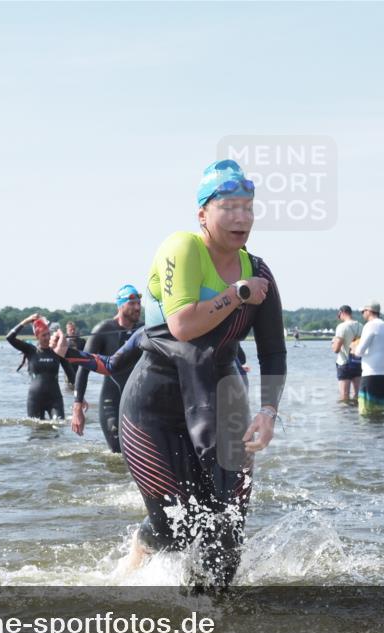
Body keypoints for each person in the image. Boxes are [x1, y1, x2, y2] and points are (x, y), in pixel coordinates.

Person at [118, 159, 286, 589]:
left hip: (221, 398)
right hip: (154, 405)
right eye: (228, 208)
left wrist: (268, 412)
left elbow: (272, 352)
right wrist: (238, 294)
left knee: (227, 523)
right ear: (202, 215)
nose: (241, 217)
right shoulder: (182, 247)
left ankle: (215, 618)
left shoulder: (259, 271)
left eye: (248, 207)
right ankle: (139, 552)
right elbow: (182, 326)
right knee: (175, 524)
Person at [72, 284, 144, 452]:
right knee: (117, 453)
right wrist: (77, 406)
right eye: (132, 303)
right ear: (120, 305)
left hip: (138, 400)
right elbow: (83, 367)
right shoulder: (103, 330)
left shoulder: (143, 330)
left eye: (139, 303)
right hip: (111, 400)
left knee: (141, 452)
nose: (137, 307)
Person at [6, 313, 75, 419]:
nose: (47, 337)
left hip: (55, 399)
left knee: (58, 424)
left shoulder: (57, 351)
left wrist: (80, 398)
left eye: (48, 334)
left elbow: (71, 374)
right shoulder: (30, 350)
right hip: (35, 399)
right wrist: (25, 321)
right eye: (43, 335)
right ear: (36, 336)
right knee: (36, 428)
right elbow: (9, 337)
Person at [353, 301, 384, 415]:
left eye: (363, 311)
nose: (362, 314)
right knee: (379, 414)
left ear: (369, 311)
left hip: (370, 376)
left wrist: (353, 347)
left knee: (365, 414)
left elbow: (359, 352)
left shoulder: (370, 325)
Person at [331, 305, 363, 401]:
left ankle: (346, 411)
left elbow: (336, 349)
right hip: (358, 363)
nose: (339, 317)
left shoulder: (342, 327)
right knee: (358, 395)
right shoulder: (361, 326)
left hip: (344, 363)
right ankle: (355, 410)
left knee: (344, 396)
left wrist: (333, 343)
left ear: (342, 312)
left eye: (339, 314)